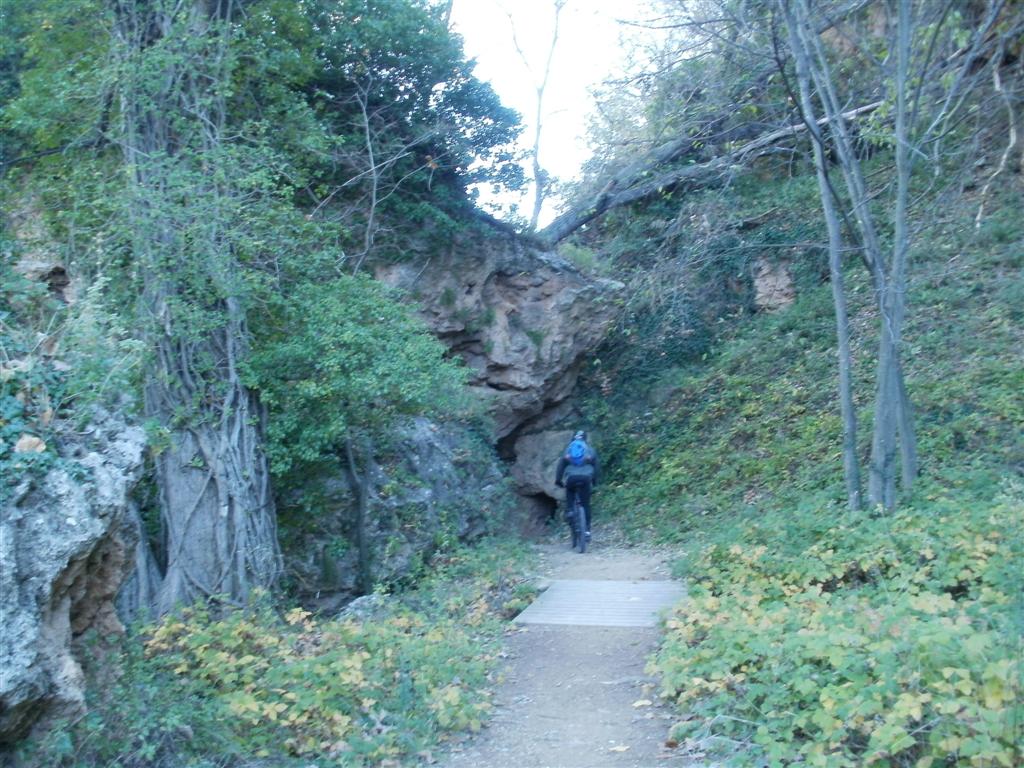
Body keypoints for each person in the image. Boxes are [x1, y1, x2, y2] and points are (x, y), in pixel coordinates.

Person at [555, 430, 599, 540]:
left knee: (570, 491)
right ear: (585, 438)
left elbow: (560, 467)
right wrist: (595, 481)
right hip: (586, 479)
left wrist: (558, 480)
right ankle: (587, 531)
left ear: (573, 438)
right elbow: (596, 468)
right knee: (586, 505)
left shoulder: (568, 451)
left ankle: (570, 510)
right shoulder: (590, 450)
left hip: (571, 478)